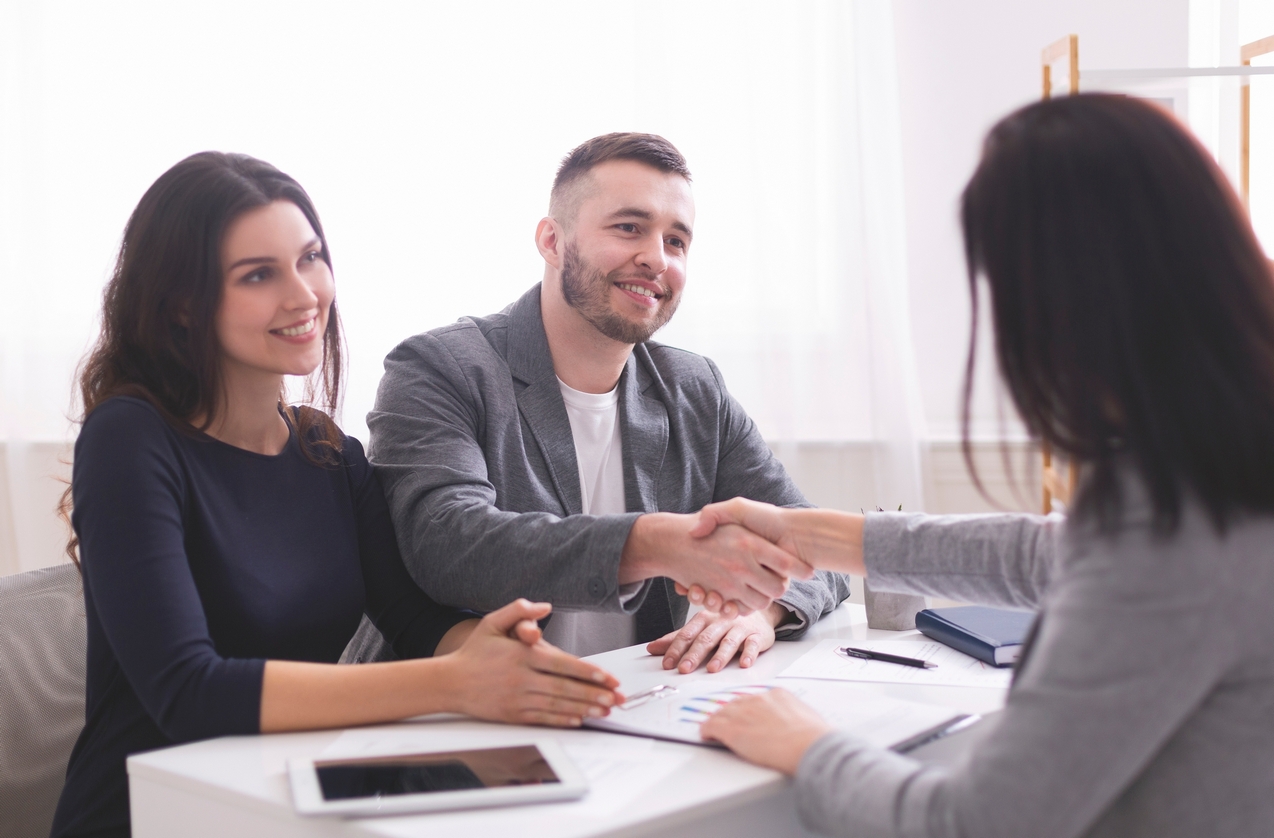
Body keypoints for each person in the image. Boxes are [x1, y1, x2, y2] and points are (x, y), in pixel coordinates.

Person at [693, 94, 1274, 837]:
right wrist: (810, 535)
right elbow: (1059, 553)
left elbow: (972, 825)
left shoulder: (1173, 529)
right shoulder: (1222, 456)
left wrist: (804, 743)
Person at [51, 153, 623, 838]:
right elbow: (189, 691)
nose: (303, 295)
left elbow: (412, 617)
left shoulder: (326, 452)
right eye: (258, 275)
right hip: (159, 810)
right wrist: (454, 683)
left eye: (310, 258)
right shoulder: (129, 439)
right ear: (182, 305)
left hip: (289, 798)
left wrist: (504, 659)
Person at [347, 133, 850, 672]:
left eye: (676, 241)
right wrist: (653, 542)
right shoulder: (441, 367)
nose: (656, 259)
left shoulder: (693, 387)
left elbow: (811, 538)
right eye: (629, 227)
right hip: (455, 729)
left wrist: (763, 610)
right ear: (551, 240)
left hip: (635, 716)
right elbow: (447, 544)